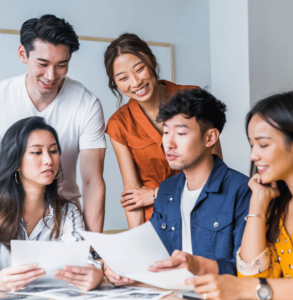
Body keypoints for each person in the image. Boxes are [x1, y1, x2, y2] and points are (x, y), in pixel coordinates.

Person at [0, 15, 106, 233]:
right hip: (7, 215)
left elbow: (92, 180)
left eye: (62, 65)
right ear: (23, 54)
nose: (51, 75)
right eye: (43, 64)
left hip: (62, 218)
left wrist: (93, 248)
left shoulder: (86, 104)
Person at [104, 33, 223, 229]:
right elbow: (133, 194)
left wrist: (154, 194)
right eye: (123, 78)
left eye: (139, 69)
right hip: (157, 221)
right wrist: (138, 241)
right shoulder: (119, 123)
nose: (135, 83)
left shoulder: (193, 98)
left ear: (152, 60)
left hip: (203, 211)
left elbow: (216, 171)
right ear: (115, 83)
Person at [184, 92, 293, 300]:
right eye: (252, 144)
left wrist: (245, 289)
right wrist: (257, 208)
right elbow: (253, 276)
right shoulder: (277, 204)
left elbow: (251, 288)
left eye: (263, 144)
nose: (253, 156)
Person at [147, 88, 251, 276]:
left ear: (210, 137)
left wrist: (198, 266)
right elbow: (152, 253)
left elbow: (247, 268)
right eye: (165, 132)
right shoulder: (167, 190)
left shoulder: (242, 190)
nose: (168, 143)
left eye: (180, 134)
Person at [0, 117, 103, 292]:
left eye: (53, 151)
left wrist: (95, 273)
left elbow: (83, 262)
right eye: (37, 152)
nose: (48, 160)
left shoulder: (68, 212)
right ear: (16, 162)